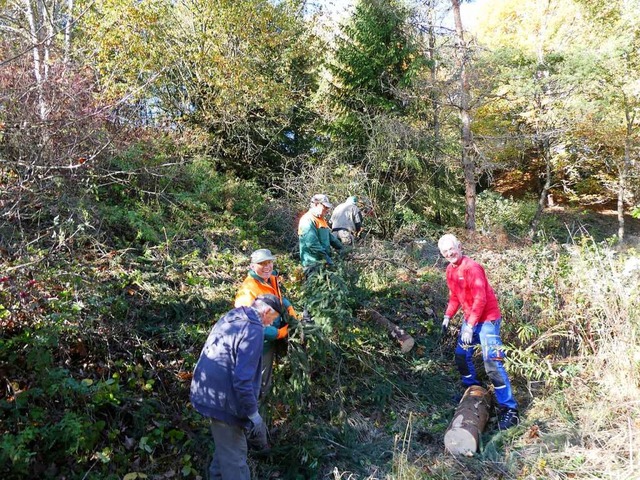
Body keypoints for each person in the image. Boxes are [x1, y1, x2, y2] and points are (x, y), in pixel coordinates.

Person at [190, 294, 284, 480]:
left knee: (224, 453)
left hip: (205, 391)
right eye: (272, 320)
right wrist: (253, 414)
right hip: (224, 400)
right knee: (236, 460)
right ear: (265, 311)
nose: (270, 325)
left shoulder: (233, 316)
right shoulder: (254, 328)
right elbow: (242, 379)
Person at [438, 234, 520, 430]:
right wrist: (448, 317)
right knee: (461, 356)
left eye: (452, 248)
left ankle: (509, 409)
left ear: (459, 246)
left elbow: (480, 299)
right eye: (445, 251)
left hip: (487, 320)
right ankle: (474, 390)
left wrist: (470, 325)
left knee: (493, 362)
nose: (449, 253)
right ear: (442, 254)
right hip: (471, 320)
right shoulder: (450, 270)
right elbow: (455, 297)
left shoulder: (472, 268)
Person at [235, 248, 297, 398]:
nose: (267, 266)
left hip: (272, 336)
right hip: (260, 343)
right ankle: (256, 411)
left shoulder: (269, 279)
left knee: (267, 374)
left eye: (269, 262)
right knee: (259, 380)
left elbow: (275, 299)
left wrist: (287, 306)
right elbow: (250, 324)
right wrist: (277, 333)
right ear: (252, 266)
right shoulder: (248, 291)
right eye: (262, 263)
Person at [298, 194, 343, 275]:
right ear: (315, 204)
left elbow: (329, 237)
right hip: (312, 263)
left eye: (327, 207)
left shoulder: (321, 219)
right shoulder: (308, 220)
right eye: (325, 207)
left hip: (322, 262)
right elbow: (312, 244)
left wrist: (341, 247)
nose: (327, 209)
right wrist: (327, 259)